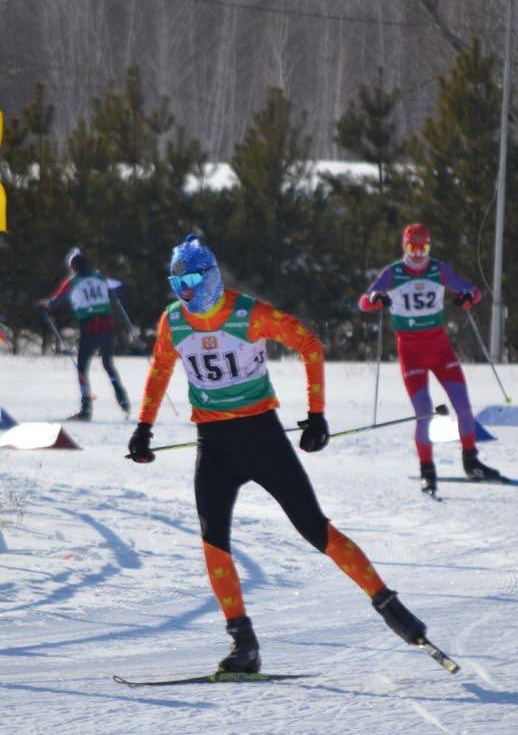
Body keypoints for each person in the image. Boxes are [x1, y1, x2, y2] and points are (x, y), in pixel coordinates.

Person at [127, 234, 434, 674]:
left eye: (191, 281)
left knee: (315, 528)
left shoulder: (250, 314)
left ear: (210, 276)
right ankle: (243, 644)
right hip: (214, 444)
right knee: (213, 542)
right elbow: (159, 369)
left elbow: (310, 344)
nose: (185, 293)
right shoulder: (173, 321)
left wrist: (317, 415)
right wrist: (143, 428)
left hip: (262, 438)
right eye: (177, 284)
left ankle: (391, 607)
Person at [359, 222, 502, 494]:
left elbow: (473, 291)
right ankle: (427, 471)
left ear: (429, 247)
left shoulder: (438, 269)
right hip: (410, 352)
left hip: (440, 349)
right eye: (412, 248)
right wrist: (375, 298)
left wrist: (468, 297)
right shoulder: (393, 273)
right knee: (424, 412)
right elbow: (364, 300)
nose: (417, 254)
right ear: (404, 246)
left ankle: (472, 463)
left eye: (423, 248)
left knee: (463, 407)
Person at [40, 247, 130, 421]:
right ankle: (122, 398)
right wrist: (111, 295)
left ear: (73, 267)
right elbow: (120, 287)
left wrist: (44, 306)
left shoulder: (72, 282)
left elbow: (54, 302)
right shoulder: (100, 277)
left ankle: (86, 409)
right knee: (108, 364)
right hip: (107, 328)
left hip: (89, 328)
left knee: (82, 368)